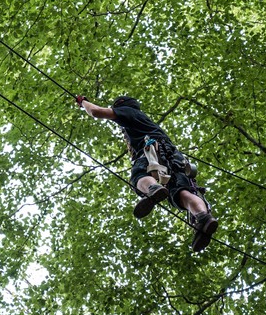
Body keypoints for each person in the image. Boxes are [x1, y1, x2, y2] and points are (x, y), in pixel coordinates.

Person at [76, 94, 218, 252]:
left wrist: (83, 103)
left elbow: (96, 112)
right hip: (175, 157)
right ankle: (203, 217)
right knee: (181, 192)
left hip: (151, 150)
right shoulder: (147, 122)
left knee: (139, 176)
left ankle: (152, 188)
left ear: (121, 106)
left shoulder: (128, 113)